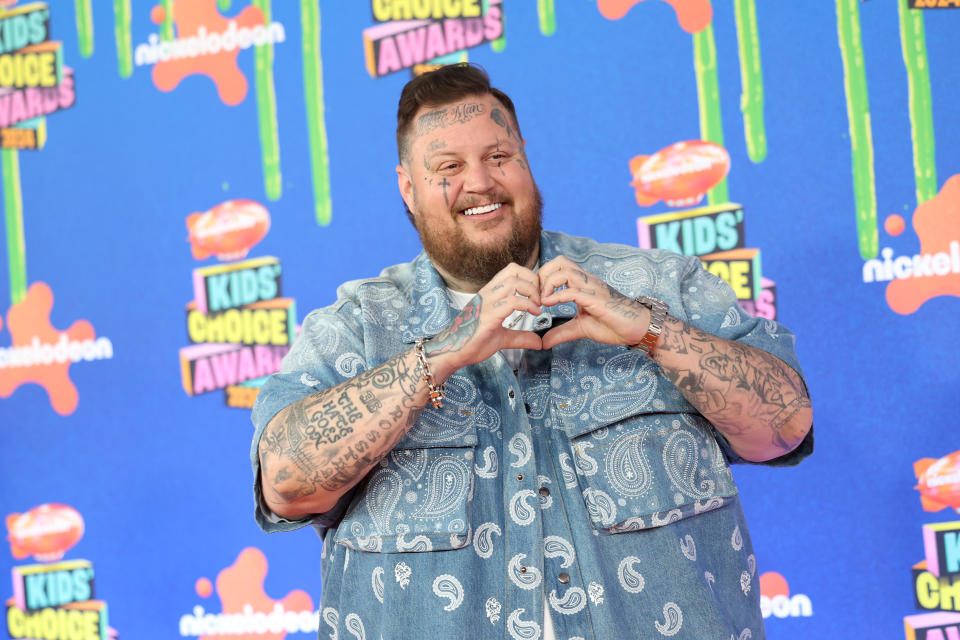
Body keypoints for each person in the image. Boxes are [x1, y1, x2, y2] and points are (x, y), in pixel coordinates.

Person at [250, 63, 813, 640]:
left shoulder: (658, 285)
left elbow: (785, 425)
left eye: (498, 157)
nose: (481, 183)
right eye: (449, 167)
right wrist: (439, 354)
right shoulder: (357, 329)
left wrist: (652, 331)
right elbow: (288, 485)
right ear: (408, 188)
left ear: (525, 158)